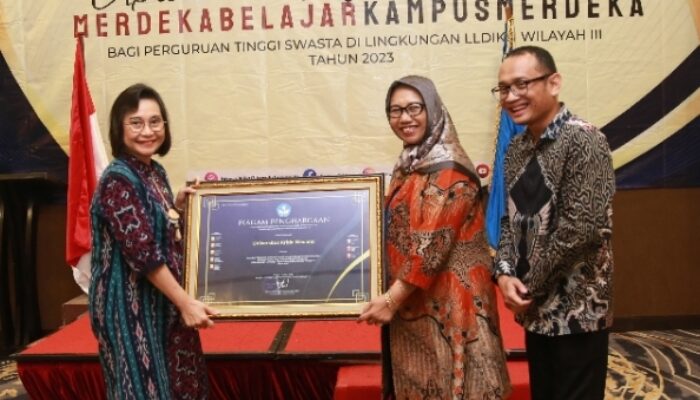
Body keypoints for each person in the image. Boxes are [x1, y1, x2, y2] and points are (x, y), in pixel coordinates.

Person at [358, 75, 511, 399]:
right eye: (395, 110)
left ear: (433, 110)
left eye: (415, 108)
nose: (405, 118)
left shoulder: (449, 170)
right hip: (417, 304)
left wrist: (391, 300)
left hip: (454, 311)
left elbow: (429, 248)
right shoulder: (413, 163)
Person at [492, 46, 615, 400]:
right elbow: (508, 219)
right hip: (535, 313)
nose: (511, 96)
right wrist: (503, 273)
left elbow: (581, 230)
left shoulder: (585, 139)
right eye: (504, 89)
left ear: (554, 82)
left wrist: (527, 287)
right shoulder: (517, 148)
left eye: (522, 84)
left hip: (577, 313)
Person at [88, 83, 218, 399]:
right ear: (119, 128)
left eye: (155, 121)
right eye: (136, 123)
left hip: (162, 302)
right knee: (144, 389)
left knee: (178, 386)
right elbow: (143, 253)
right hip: (130, 307)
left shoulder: (153, 171)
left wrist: (178, 209)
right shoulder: (118, 179)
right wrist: (185, 302)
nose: (148, 131)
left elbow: (159, 231)